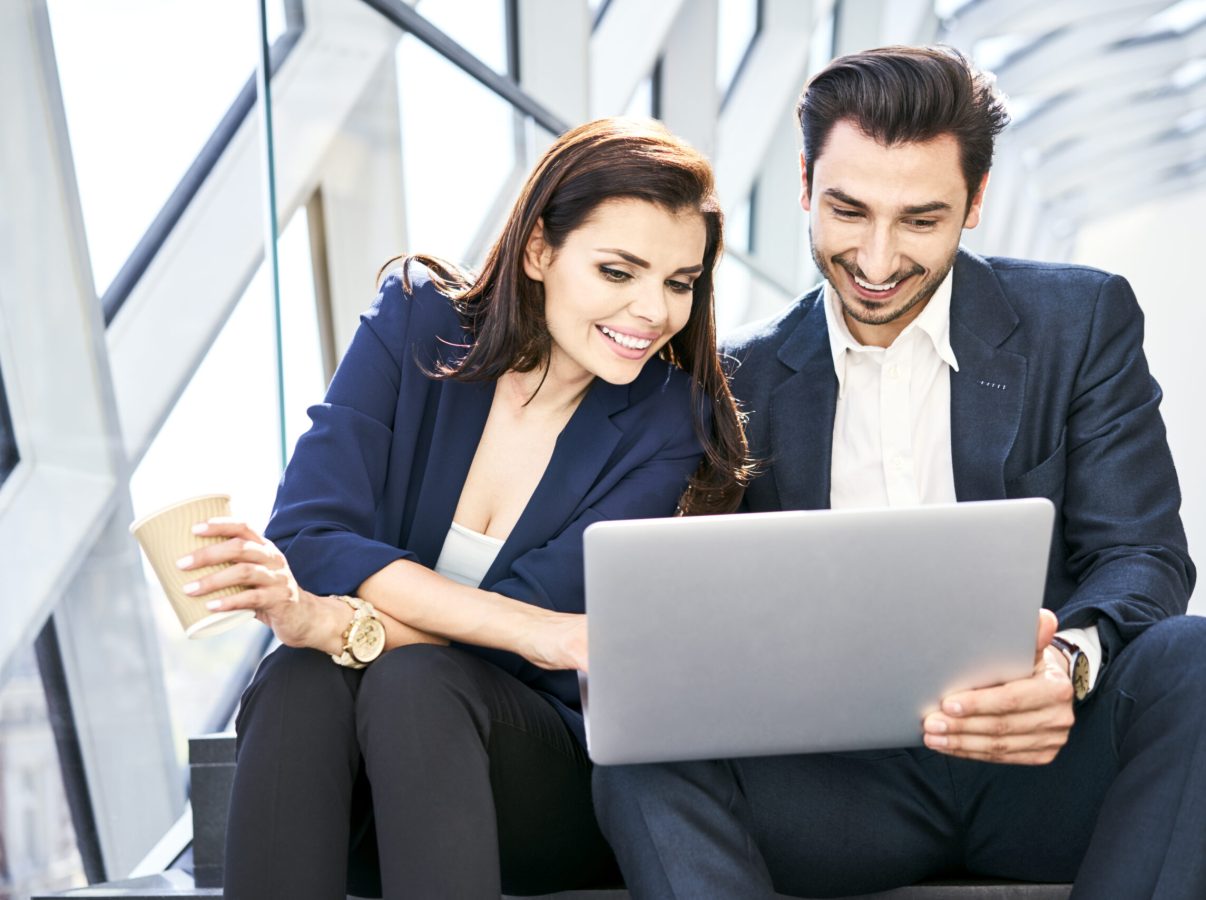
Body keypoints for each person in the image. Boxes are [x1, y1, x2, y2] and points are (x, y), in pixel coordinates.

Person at [593, 46, 1204, 899]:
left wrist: (1067, 664)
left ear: (977, 202)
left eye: (921, 220)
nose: (877, 262)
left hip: (1045, 761)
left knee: (1195, 659)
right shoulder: (735, 379)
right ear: (804, 184)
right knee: (640, 744)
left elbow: (1146, 557)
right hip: (842, 788)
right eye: (849, 211)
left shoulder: (1081, 319)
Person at [174, 117, 750, 899]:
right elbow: (309, 534)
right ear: (541, 250)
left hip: (533, 785)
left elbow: (511, 634)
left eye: (680, 283)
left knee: (415, 680)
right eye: (619, 272)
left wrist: (337, 620)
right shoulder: (416, 320)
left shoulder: (669, 422)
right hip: (367, 787)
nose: (652, 311)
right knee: (300, 681)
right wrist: (335, 631)